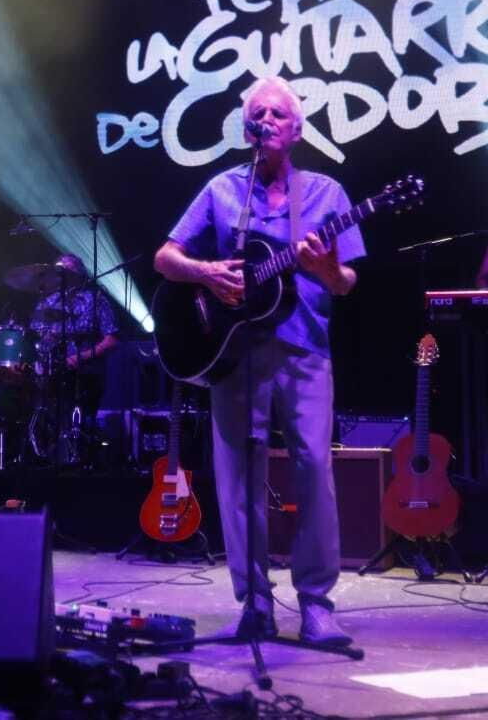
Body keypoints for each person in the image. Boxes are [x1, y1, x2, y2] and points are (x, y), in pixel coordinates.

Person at [153, 77, 363, 646]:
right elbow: (165, 257)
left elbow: (345, 281)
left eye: (276, 114)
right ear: (246, 128)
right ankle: (254, 607)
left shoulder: (327, 194)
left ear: (296, 129)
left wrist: (322, 270)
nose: (265, 120)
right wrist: (205, 272)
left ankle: (317, 605)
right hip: (234, 354)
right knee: (237, 480)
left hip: (305, 348)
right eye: (256, 113)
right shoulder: (222, 189)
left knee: (313, 471)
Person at [28, 253, 119, 456]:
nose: (60, 275)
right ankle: (52, 452)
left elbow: (112, 340)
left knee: (82, 421)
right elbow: (36, 335)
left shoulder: (95, 300)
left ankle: (84, 456)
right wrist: (45, 343)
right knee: (55, 415)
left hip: (88, 369)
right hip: (55, 369)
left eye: (66, 271)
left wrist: (81, 357)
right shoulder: (48, 303)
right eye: (57, 271)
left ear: (78, 274)